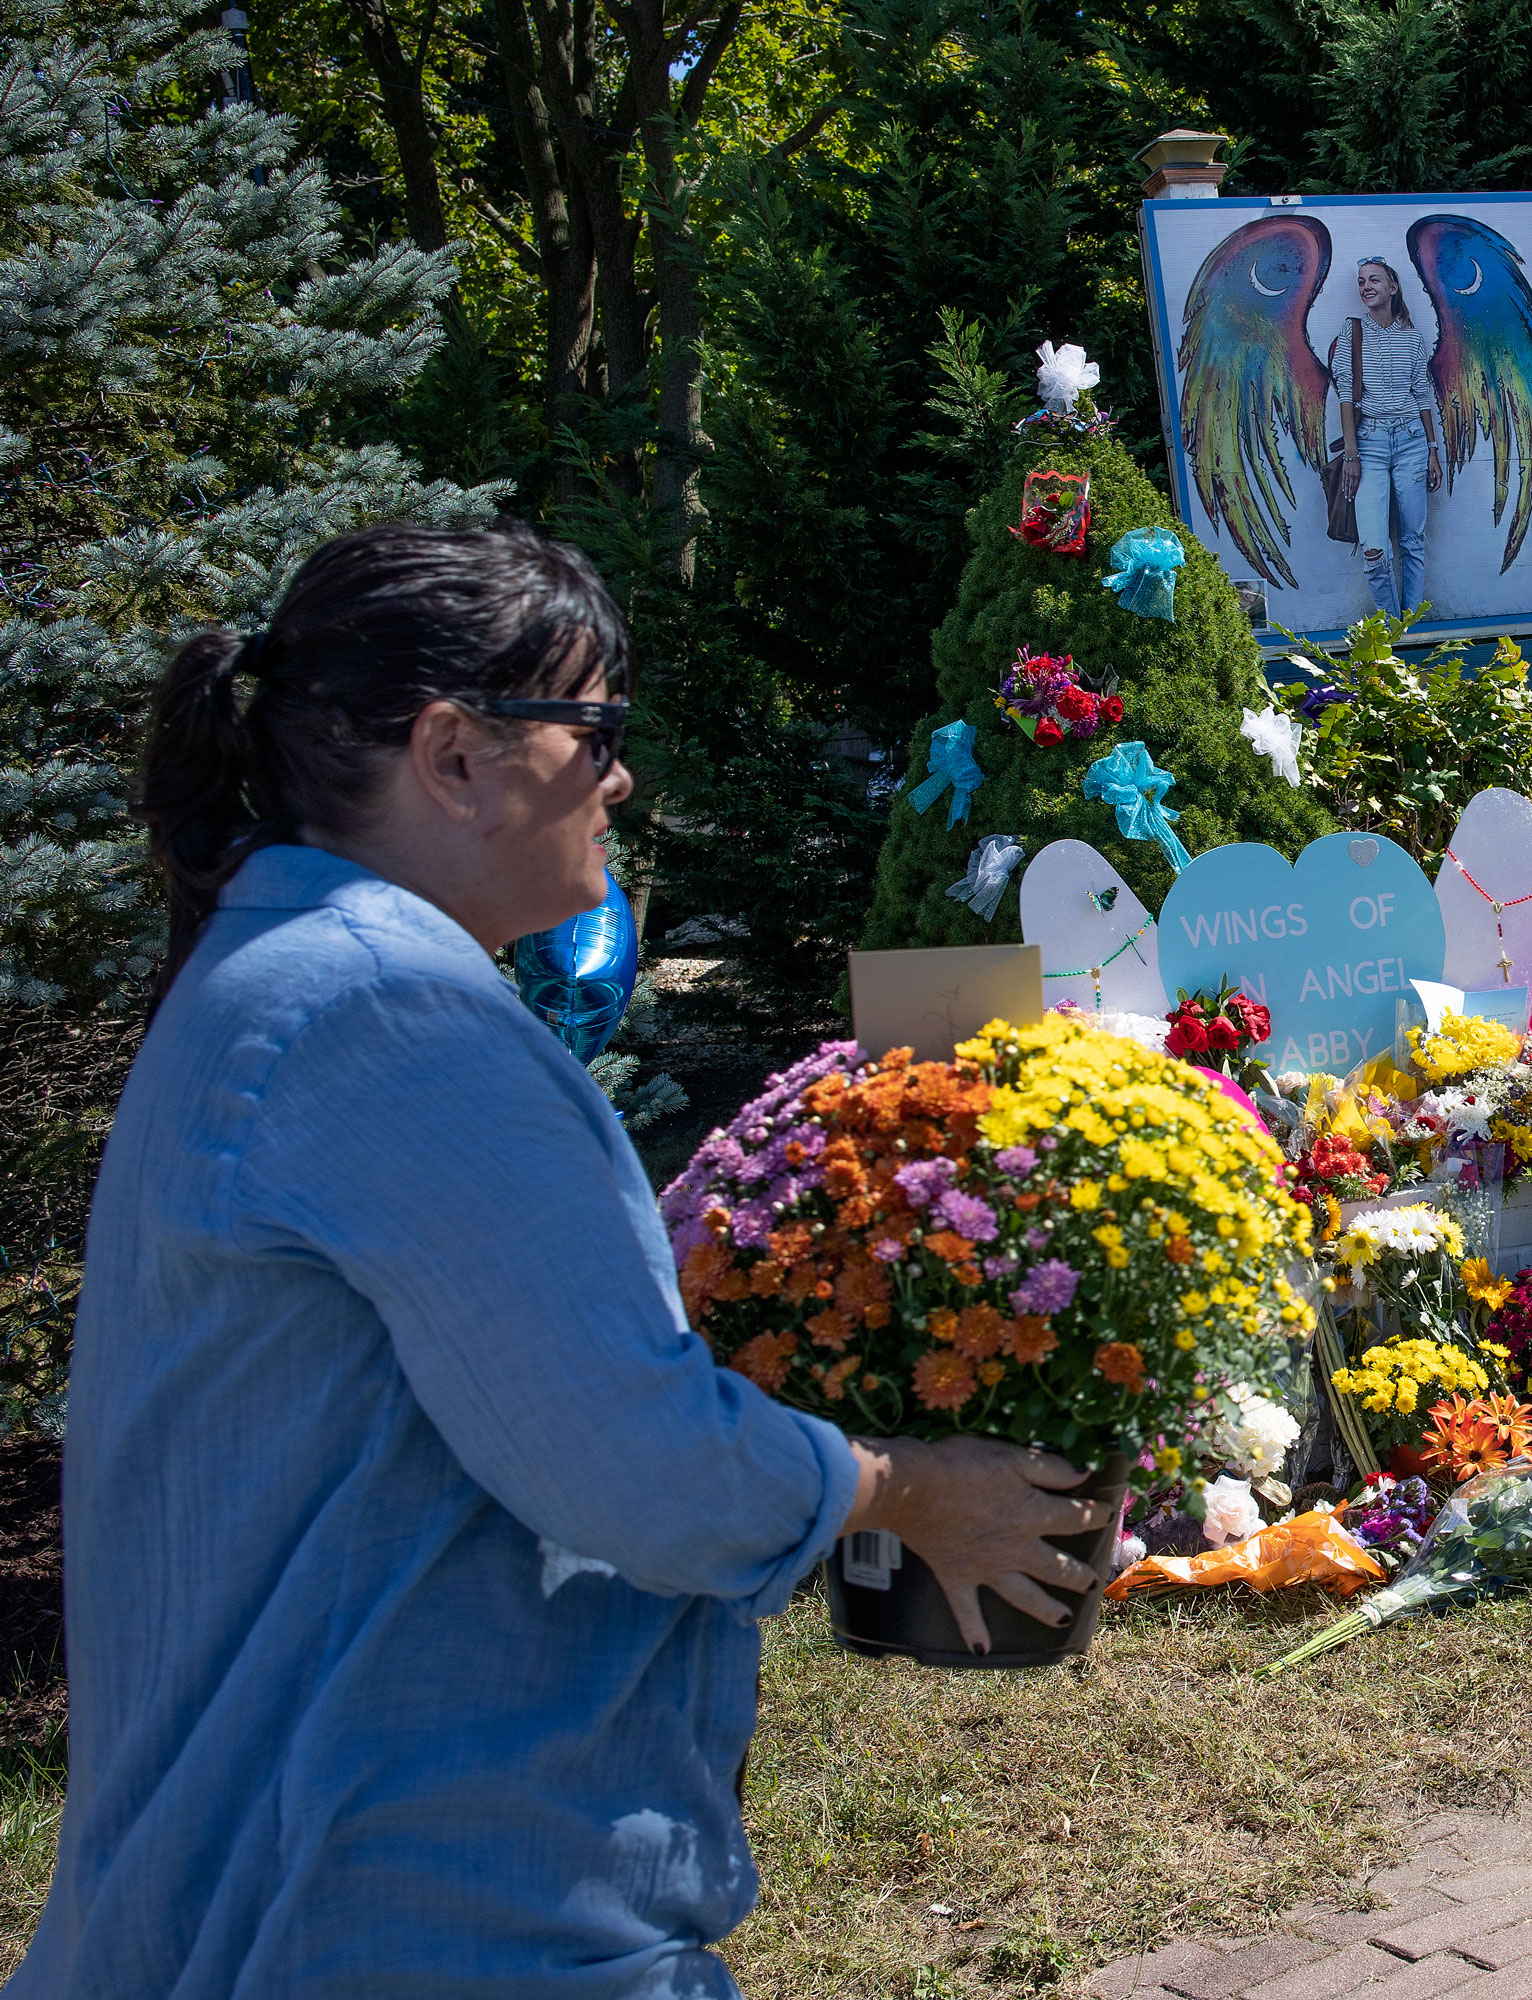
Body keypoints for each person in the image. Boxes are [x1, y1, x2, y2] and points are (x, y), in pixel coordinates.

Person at [15, 523, 1105, 1996]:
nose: (621, 778)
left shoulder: (286, 975)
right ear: (454, 755)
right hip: (416, 1911)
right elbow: (638, 1465)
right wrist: (909, 1489)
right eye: (595, 730)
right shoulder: (389, 1015)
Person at [1327, 256, 1440, 617]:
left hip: (1412, 442)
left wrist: (1433, 449)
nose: (1367, 287)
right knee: (1374, 547)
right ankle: (1391, 629)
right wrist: (1351, 454)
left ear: (1392, 287)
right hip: (1369, 443)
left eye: (1374, 280)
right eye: (1361, 282)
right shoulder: (1352, 331)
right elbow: (1345, 393)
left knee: (1413, 541)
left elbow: (1422, 394)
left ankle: (1412, 625)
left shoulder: (1413, 337)